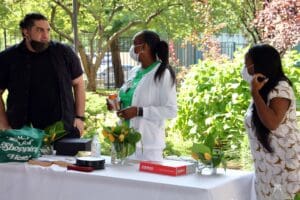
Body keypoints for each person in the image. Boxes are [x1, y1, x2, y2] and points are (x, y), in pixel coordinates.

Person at [0, 13, 85, 137]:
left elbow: (79, 83)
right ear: (26, 32)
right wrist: (5, 126)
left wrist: (80, 117)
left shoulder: (64, 53)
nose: (45, 36)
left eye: (48, 30)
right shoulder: (7, 58)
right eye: (40, 30)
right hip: (20, 131)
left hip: (63, 128)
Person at [242, 44, 300, 200]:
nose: (245, 69)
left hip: (285, 165)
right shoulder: (264, 89)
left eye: (247, 65)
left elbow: (272, 123)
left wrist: (254, 92)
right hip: (267, 165)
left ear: (260, 65)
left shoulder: (281, 89)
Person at [114, 30, 177, 161]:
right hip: (123, 140)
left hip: (147, 146)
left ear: (145, 47)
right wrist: (117, 104)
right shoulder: (134, 71)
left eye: (134, 44)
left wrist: (139, 111)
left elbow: (171, 111)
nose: (131, 49)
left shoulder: (163, 73)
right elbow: (130, 98)